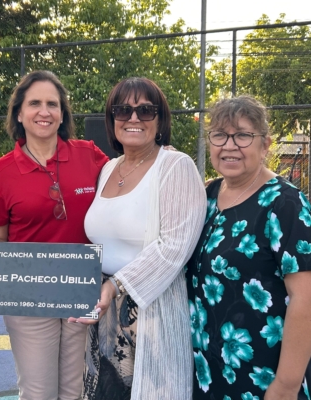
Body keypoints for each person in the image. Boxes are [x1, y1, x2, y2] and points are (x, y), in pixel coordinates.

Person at [69, 77, 207, 399]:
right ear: (111, 119)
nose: (133, 118)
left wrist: (116, 285)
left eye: (145, 110)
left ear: (160, 120)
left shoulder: (176, 166)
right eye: (123, 110)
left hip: (149, 314)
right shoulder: (108, 169)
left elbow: (174, 247)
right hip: (103, 312)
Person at [186, 95, 311, 399]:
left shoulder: (285, 204)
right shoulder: (207, 196)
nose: (229, 145)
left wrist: (286, 386)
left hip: (266, 377)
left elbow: (309, 296)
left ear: (265, 145)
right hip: (211, 373)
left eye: (243, 135)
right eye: (220, 135)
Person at [0, 70, 108, 400]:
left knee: (75, 391)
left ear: (62, 114)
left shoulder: (90, 155)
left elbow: (127, 183)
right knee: (38, 393)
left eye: (53, 104)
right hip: (28, 296)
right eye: (34, 103)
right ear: (19, 113)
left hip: (81, 289)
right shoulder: (1, 172)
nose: (44, 111)